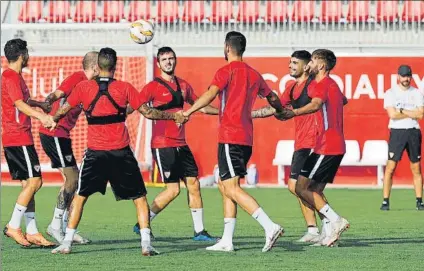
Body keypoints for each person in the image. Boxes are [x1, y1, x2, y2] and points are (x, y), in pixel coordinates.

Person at [49, 47, 185, 255]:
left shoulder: (83, 88)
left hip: (95, 153)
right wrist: (172, 116)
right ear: (115, 65)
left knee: (80, 197)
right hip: (121, 152)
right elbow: (148, 112)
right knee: (139, 198)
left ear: (98, 66)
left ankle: (66, 243)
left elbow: (64, 109)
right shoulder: (125, 87)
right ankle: (146, 244)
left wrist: (53, 119)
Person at [183, 31, 291, 252]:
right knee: (227, 186)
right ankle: (227, 240)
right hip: (246, 138)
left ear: (226, 47)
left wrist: (189, 111)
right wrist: (280, 110)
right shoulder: (254, 74)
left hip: (230, 137)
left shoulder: (226, 71)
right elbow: (271, 97)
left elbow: (210, 94)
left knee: (230, 187)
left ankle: (269, 227)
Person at [132, 47, 218, 241]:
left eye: (171, 58)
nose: (168, 62)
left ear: (175, 60)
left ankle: (199, 232)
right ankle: (142, 223)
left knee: (194, 184)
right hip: (163, 145)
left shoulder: (184, 85)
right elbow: (138, 106)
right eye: (164, 59)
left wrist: (223, 112)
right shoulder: (152, 86)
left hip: (181, 144)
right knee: (173, 190)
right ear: (158, 63)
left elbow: (201, 107)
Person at [277, 49, 350, 247]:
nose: (310, 63)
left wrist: (295, 112)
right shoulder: (330, 85)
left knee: (301, 187)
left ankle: (335, 220)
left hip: (327, 145)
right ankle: (328, 235)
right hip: (329, 144)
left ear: (322, 65)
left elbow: (316, 104)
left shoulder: (323, 84)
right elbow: (344, 100)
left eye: (314, 60)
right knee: (314, 189)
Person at [251, 50, 322, 243]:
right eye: (290, 62)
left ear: (306, 65)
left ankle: (330, 222)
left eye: (295, 63)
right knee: (300, 187)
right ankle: (314, 229)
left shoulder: (314, 85)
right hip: (301, 142)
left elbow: (319, 104)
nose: (290, 66)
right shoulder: (291, 87)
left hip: (313, 140)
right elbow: (276, 109)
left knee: (300, 187)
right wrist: (250, 114)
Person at [39, 51, 99, 244]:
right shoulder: (77, 78)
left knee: (75, 181)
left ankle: (64, 228)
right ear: (95, 67)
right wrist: (48, 104)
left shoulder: (91, 85)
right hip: (53, 132)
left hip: (63, 135)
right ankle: (56, 226)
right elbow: (57, 93)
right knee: (73, 179)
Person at [2, 38, 55, 247]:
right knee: (35, 182)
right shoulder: (11, 76)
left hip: (17, 136)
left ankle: (31, 231)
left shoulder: (14, 76)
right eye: (27, 53)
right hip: (18, 136)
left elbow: (22, 101)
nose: (29, 56)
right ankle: (13, 226)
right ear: (22, 55)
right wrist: (41, 117)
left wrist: (40, 104)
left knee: (29, 184)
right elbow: (18, 105)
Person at [381, 65, 424, 211]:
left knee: (416, 167)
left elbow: (420, 114)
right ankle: (386, 200)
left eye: (408, 76)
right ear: (398, 77)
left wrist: (401, 110)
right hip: (397, 132)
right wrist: (411, 112)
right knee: (391, 167)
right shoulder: (391, 93)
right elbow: (392, 115)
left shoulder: (417, 93)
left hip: (413, 131)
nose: (406, 79)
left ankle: (419, 200)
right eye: (403, 76)